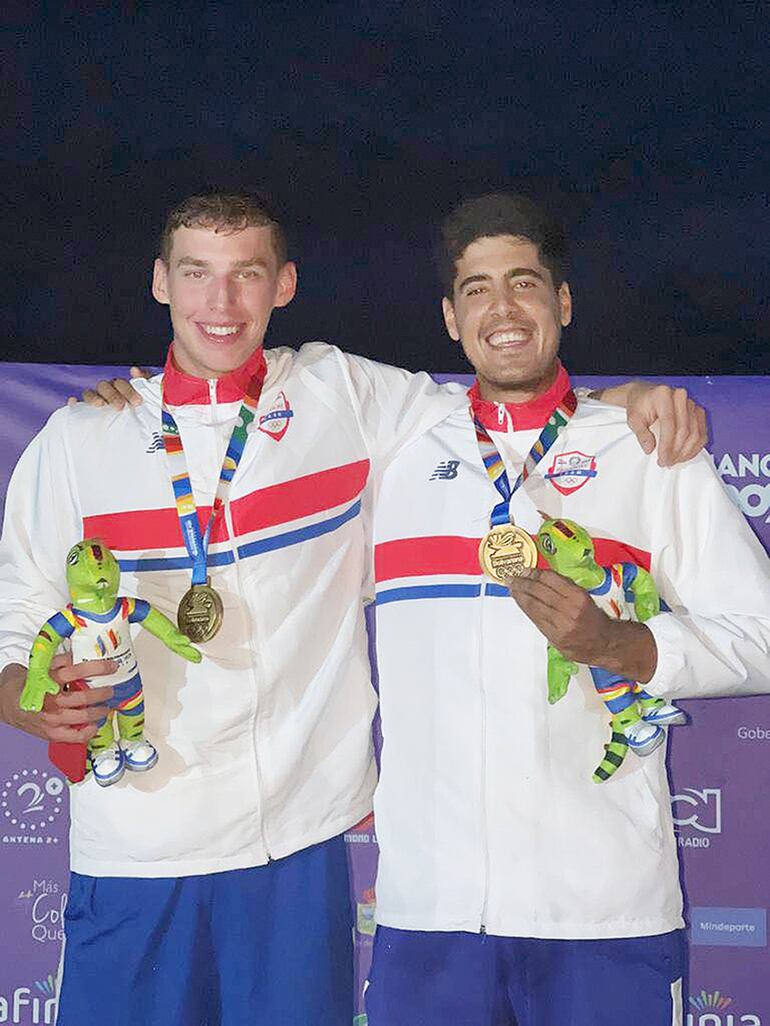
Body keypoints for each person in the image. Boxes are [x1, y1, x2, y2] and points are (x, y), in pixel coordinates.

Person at [0, 191, 706, 1026]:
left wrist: (625, 401)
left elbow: (502, 404)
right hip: (134, 846)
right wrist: (30, 703)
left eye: (246, 276)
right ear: (161, 283)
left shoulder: (344, 395)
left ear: (284, 285)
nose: (221, 305)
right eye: (198, 275)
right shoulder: (78, 443)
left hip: (296, 856)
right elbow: (16, 621)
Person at [363, 193, 770, 1026]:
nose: (503, 309)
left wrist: (622, 644)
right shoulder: (395, 454)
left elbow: (761, 638)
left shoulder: (648, 449)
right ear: (449, 317)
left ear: (563, 303)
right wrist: (126, 400)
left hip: (604, 913)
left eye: (524, 283)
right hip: (430, 916)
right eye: (477, 289)